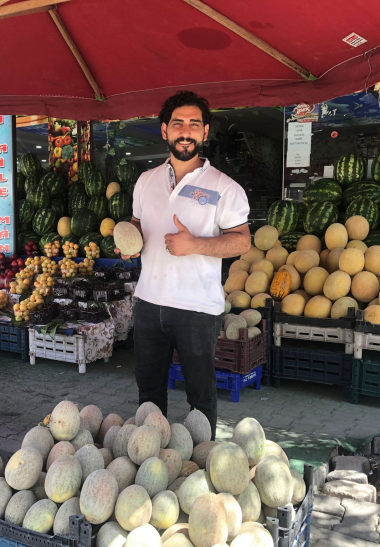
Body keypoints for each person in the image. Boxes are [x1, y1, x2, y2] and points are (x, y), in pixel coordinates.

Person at [118, 91, 251, 440]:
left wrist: (195, 244)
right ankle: (152, 458)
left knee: (200, 398)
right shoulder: (146, 181)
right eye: (178, 123)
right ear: (165, 131)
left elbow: (242, 240)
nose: (186, 131)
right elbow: (137, 224)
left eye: (194, 124)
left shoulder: (223, 187)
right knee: (148, 394)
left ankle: (200, 465)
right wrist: (128, 243)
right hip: (148, 303)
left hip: (196, 309)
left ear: (205, 132)